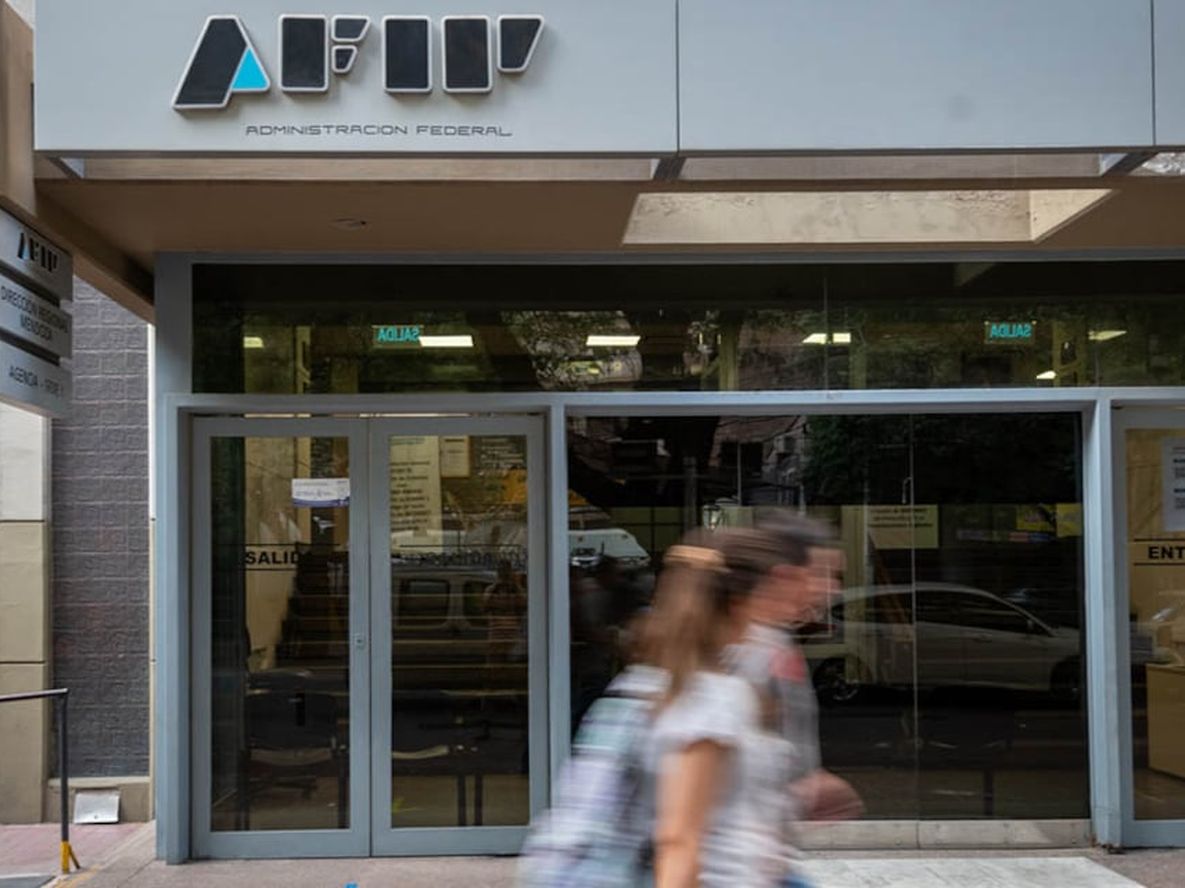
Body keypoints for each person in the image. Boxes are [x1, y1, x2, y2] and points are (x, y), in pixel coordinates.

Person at [641, 527, 801, 888]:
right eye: (772, 591)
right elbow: (680, 840)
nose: (783, 609)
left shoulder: (679, 684)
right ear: (740, 601)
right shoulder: (716, 699)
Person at [729, 515, 862, 888]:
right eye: (824, 574)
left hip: (764, 860)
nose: (833, 590)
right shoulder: (742, 651)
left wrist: (807, 780)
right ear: (786, 575)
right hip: (736, 863)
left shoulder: (774, 643)